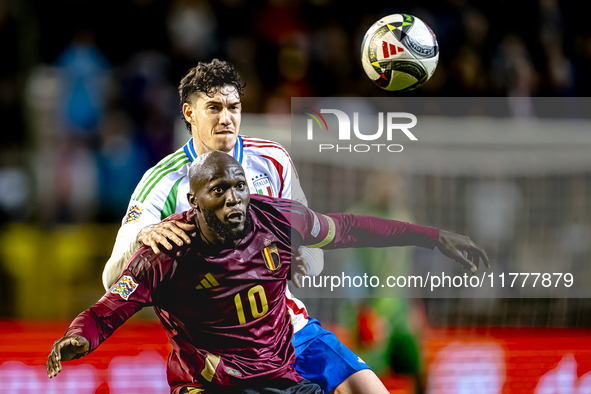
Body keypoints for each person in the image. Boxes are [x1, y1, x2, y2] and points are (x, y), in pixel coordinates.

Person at [100, 59, 484, 393]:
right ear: (189, 114)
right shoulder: (163, 182)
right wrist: (141, 237)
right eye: (213, 108)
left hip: (288, 326)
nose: (226, 117)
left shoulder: (273, 161)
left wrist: (301, 256)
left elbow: (313, 251)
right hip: (216, 351)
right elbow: (111, 277)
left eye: (233, 106)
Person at [47, 151, 489, 393]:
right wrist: (78, 337)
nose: (235, 198)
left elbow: (351, 229)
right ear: (194, 202)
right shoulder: (167, 251)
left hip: (276, 375)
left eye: (240, 186)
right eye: (220, 191)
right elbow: (110, 307)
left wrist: (430, 235)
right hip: (210, 385)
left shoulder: (278, 217)